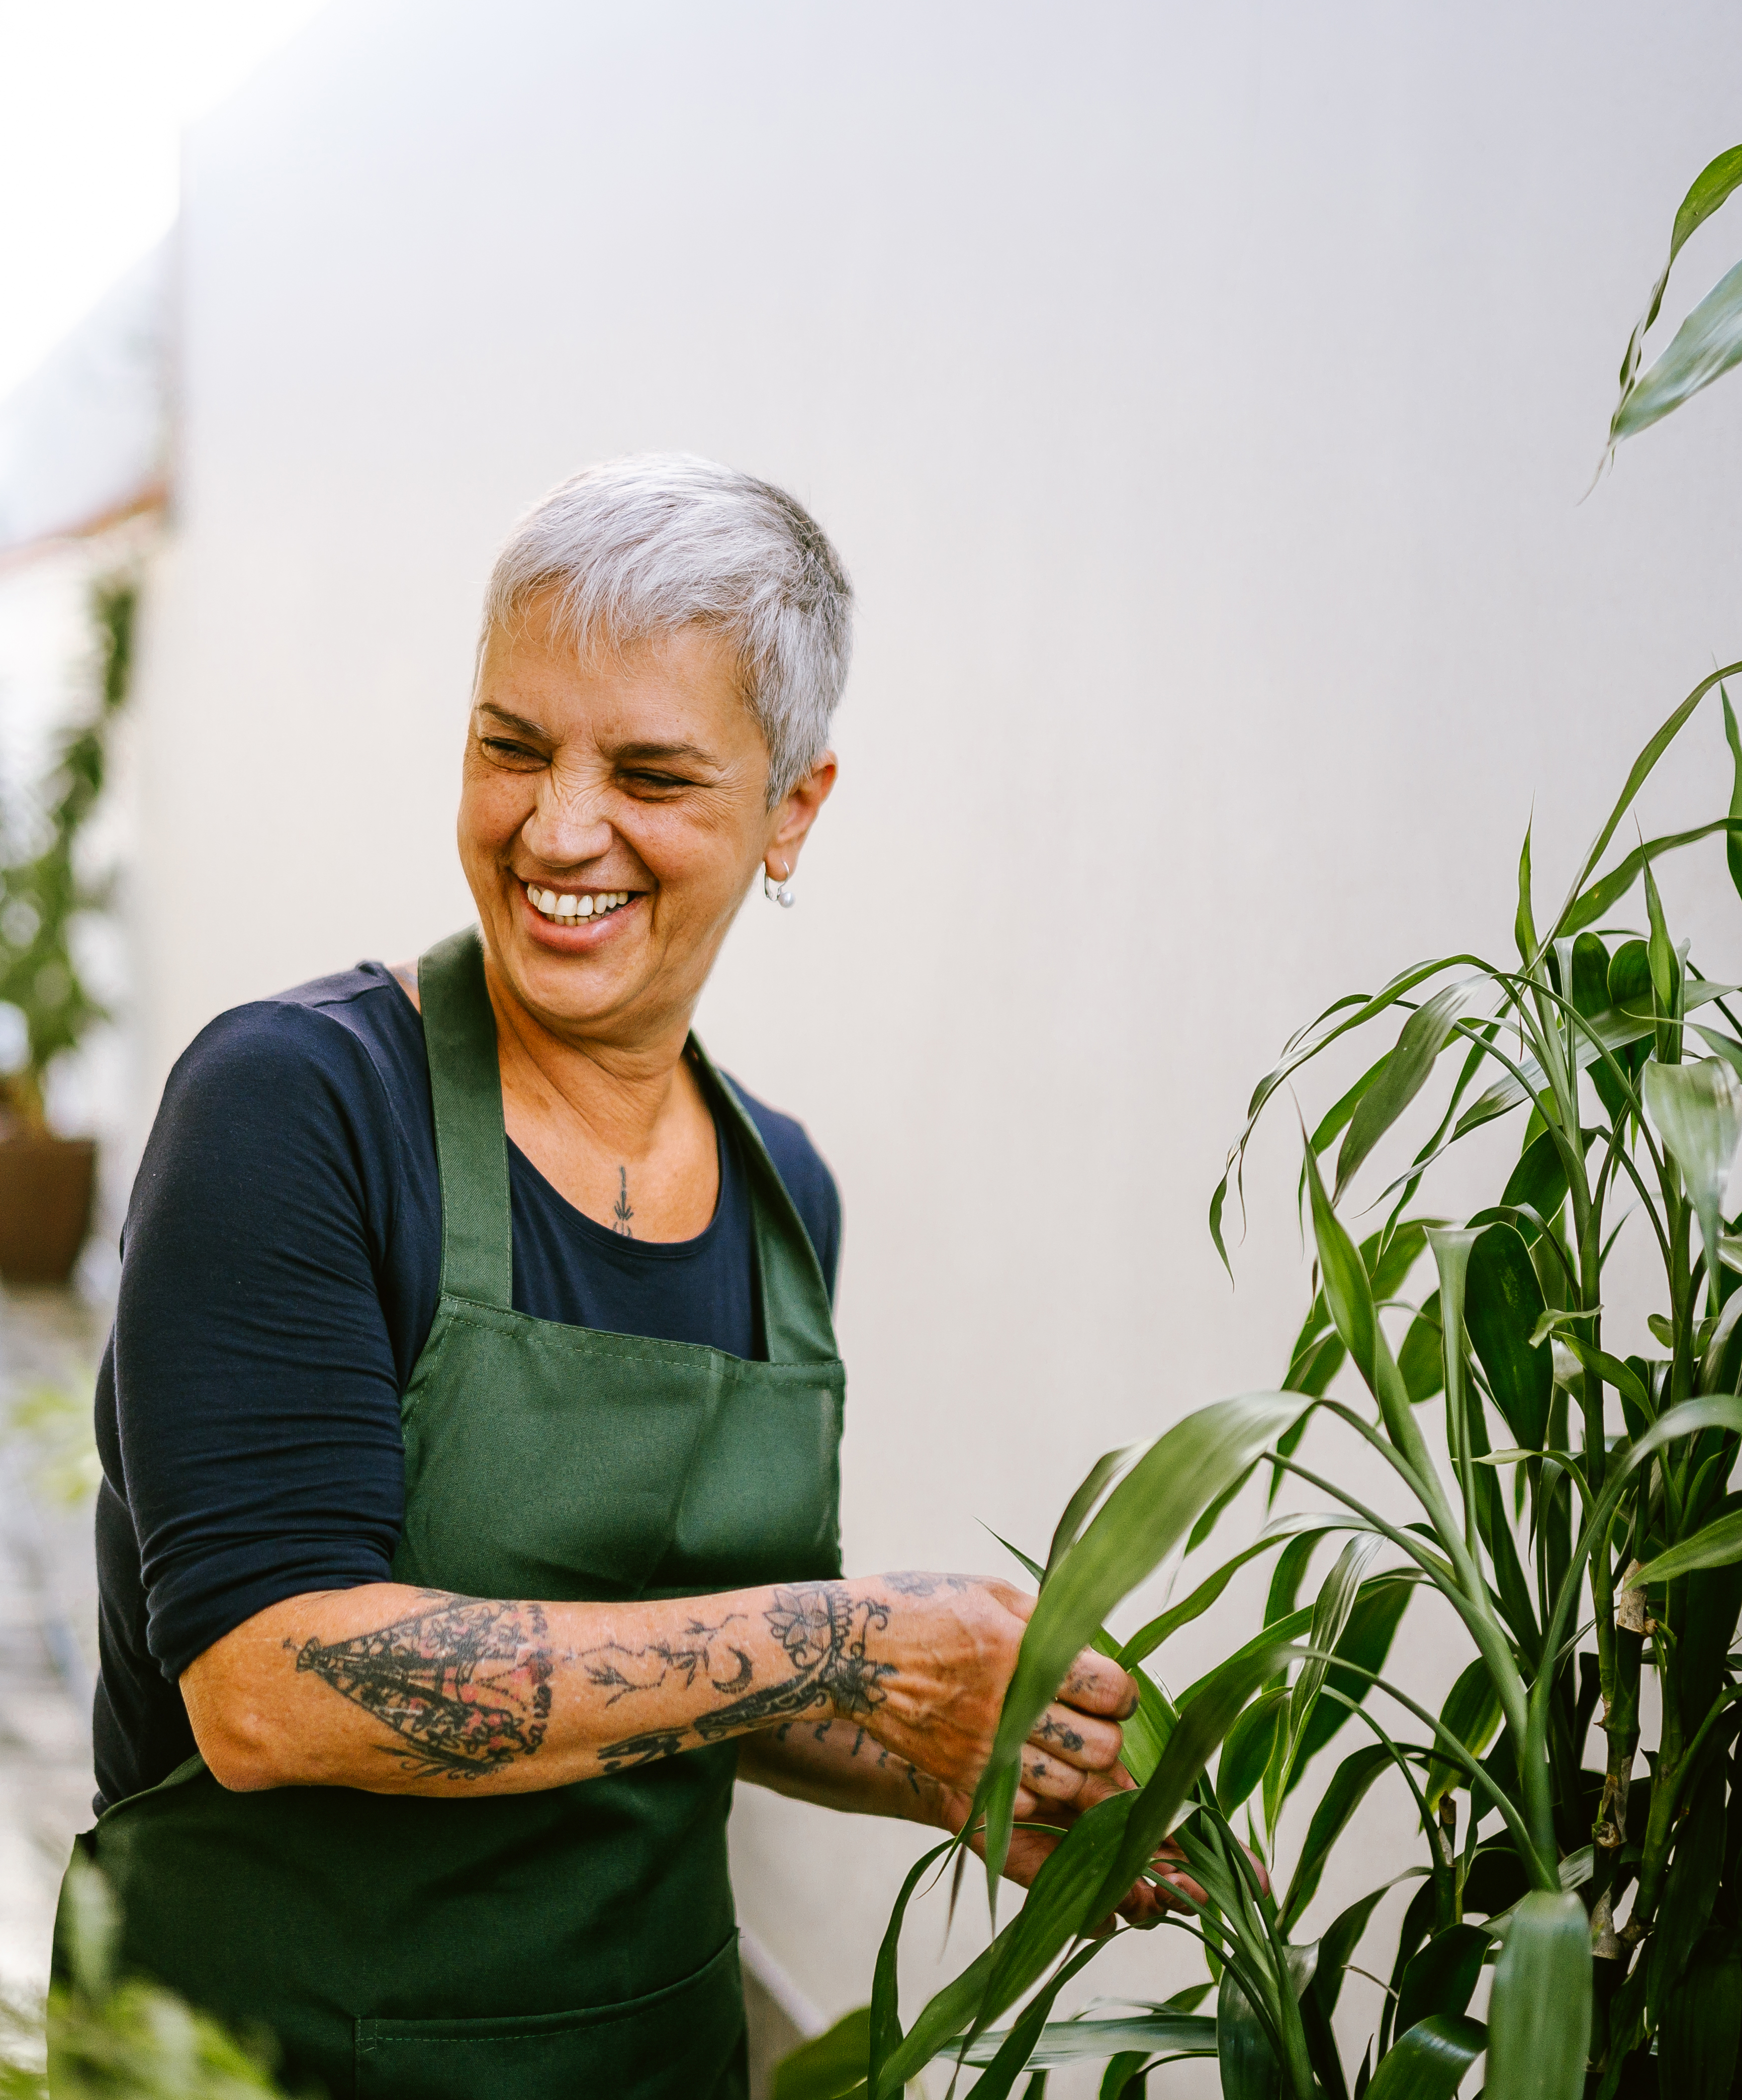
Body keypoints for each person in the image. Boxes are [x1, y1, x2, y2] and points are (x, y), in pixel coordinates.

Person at [72, 456, 1159, 2098]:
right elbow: (270, 1688)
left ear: (794, 809)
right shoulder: (296, 1109)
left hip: (658, 2058)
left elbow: (694, 1675)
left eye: (650, 773)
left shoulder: (783, 1194)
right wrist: (849, 1637)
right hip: (263, 2063)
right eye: (513, 747)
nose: (559, 828)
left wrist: (961, 1754)